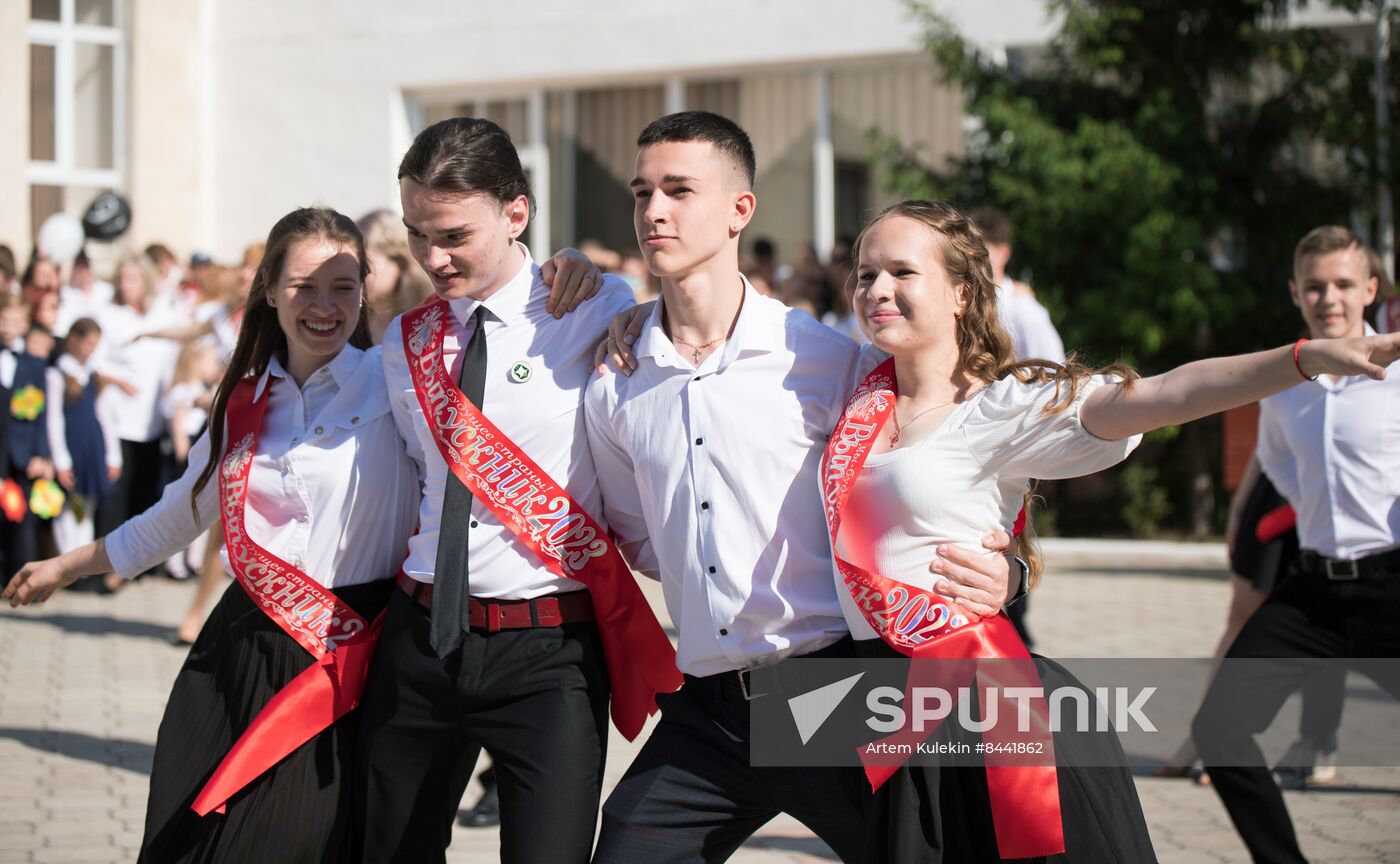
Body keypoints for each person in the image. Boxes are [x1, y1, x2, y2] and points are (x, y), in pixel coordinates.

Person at [585, 112, 1017, 864]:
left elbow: (944, 464)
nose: (654, 211)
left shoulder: (826, 360)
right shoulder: (616, 383)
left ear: (739, 210)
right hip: (707, 712)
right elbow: (645, 540)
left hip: (834, 693)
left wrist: (1009, 566)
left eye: (680, 190)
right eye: (643, 191)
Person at [3, 207, 423, 862]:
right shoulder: (246, 401)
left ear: (366, 289)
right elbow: (178, 515)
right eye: (303, 286)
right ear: (268, 290)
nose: (324, 305)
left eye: (343, 285)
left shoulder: (398, 383)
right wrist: (68, 566)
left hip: (355, 663)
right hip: (242, 659)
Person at [354, 116, 678, 864]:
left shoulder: (595, 310)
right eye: (417, 234)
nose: (433, 257)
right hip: (422, 639)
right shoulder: (405, 345)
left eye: (455, 236)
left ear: (516, 213)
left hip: (549, 653)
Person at [1193, 225, 1400, 864]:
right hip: (1311, 592)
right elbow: (1280, 467)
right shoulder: (1286, 385)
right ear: (1295, 293)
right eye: (1315, 286)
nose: (1329, 297)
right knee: (1219, 732)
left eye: (1342, 283)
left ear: (1369, 288)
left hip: (1391, 586)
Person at [45, 317, 121, 557]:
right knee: (69, 505)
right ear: (74, 340)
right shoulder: (57, 374)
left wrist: (113, 454)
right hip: (73, 447)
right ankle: (66, 557)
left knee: (87, 505)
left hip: (93, 446)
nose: (91, 350)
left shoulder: (92, 376)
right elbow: (54, 418)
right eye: (88, 343)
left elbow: (103, 415)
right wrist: (61, 460)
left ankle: (80, 560)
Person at [0, 293, 53, 583]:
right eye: (3, 319)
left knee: (21, 516)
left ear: (25, 326)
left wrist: (42, 454)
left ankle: (19, 578)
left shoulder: (34, 364)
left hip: (22, 450)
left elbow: (42, 415)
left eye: (14, 321)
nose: (7, 325)